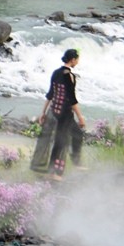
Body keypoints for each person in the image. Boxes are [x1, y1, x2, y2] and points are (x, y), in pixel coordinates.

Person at [33, 48, 86, 180]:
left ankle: (73, 164)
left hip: (54, 110)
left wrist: (43, 113)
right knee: (61, 141)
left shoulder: (55, 73)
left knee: (73, 135)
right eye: (77, 59)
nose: (77, 62)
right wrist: (80, 117)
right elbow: (72, 99)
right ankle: (55, 172)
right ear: (72, 60)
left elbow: (50, 94)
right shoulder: (70, 76)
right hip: (65, 114)